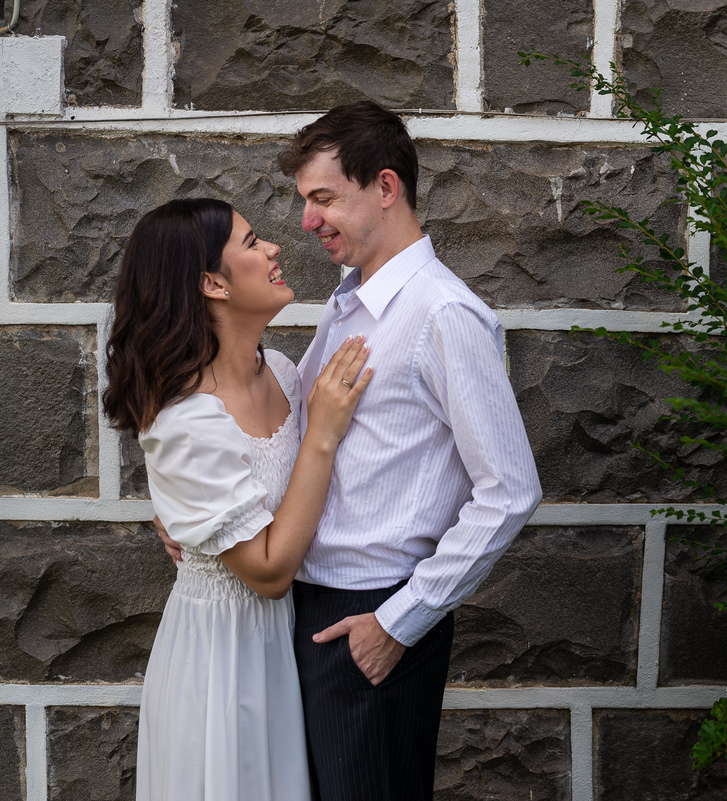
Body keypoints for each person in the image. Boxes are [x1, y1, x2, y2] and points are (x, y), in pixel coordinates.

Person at [159, 102, 542, 799]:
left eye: (324, 198)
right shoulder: (348, 304)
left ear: (386, 187)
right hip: (301, 613)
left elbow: (511, 490)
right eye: (306, 201)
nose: (307, 221)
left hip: (369, 614)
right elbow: (283, 445)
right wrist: (203, 521)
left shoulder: (442, 314)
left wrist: (399, 622)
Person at [104, 198, 373, 800]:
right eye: (252, 243)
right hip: (222, 660)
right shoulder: (185, 419)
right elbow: (269, 572)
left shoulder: (280, 370)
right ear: (212, 283)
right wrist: (323, 433)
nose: (274, 248)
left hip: (289, 643)